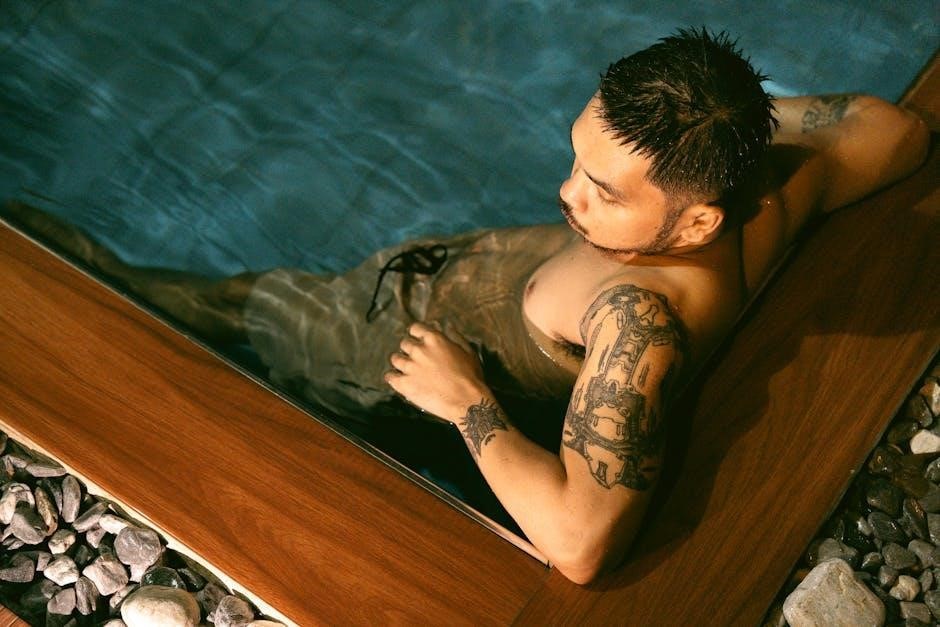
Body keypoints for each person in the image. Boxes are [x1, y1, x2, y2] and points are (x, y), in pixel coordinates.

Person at [4, 28, 929, 584]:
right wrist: (726, 123)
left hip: (404, 345)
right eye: (579, 158)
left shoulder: (638, 322)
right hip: (464, 282)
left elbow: (580, 544)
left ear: (695, 226)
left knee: (222, 310)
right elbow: (900, 132)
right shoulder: (778, 175)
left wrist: (466, 402)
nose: (568, 192)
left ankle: (70, 271)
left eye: (604, 191)